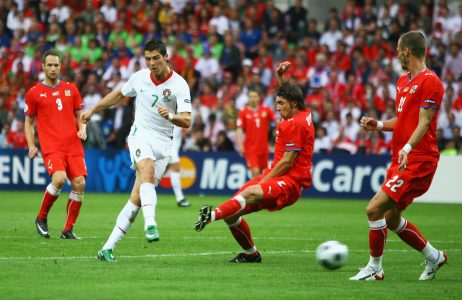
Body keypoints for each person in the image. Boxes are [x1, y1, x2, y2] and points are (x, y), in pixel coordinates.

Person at [81, 39, 192, 262]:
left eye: (156, 58)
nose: (152, 63)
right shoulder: (139, 78)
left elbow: (187, 120)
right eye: (148, 59)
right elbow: (120, 94)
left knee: (136, 198)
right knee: (147, 170)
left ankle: (107, 248)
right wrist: (93, 109)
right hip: (140, 134)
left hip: (164, 143)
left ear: (165, 56)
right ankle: (150, 224)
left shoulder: (179, 85)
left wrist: (170, 116)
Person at [350, 31, 447, 281]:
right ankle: (434, 256)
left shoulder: (431, 82)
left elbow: (424, 123)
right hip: (402, 159)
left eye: (397, 50)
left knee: (374, 209)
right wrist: (379, 125)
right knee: (392, 219)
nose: (395, 54)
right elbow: (404, 120)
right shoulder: (402, 81)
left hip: (419, 159)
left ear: (407, 51)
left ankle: (375, 268)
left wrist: (407, 148)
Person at [194, 61, 315, 263]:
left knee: (249, 192)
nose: (277, 108)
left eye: (280, 104)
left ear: (293, 104)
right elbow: (291, 96)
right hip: (276, 174)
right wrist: (281, 78)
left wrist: (264, 180)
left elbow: (287, 162)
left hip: (290, 182)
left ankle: (211, 216)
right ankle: (252, 254)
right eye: (276, 103)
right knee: (232, 211)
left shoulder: (296, 124)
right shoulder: (302, 112)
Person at [24, 50, 88, 240]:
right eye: (49, 65)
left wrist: (82, 128)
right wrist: (31, 144)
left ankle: (67, 230)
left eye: (56, 65)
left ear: (61, 67)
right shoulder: (34, 93)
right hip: (52, 146)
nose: (53, 68)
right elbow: (28, 123)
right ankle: (41, 218)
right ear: (43, 67)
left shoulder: (71, 89)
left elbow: (80, 115)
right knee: (59, 179)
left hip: (73, 145)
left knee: (80, 183)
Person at [236, 88, 276, 178]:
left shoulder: (266, 110)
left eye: (254, 96)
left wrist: (276, 138)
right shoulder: (243, 112)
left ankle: (257, 192)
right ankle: (254, 191)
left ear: (259, 98)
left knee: (263, 174)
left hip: (263, 148)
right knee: (255, 171)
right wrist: (240, 145)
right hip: (250, 148)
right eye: (250, 97)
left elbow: (277, 122)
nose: (252, 99)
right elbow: (239, 129)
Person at [166, 125, 191, 207]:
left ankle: (143, 192)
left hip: (167, 146)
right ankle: (180, 198)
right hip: (169, 146)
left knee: (159, 172)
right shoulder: (178, 116)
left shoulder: (173, 115)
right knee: (176, 169)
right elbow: (187, 132)